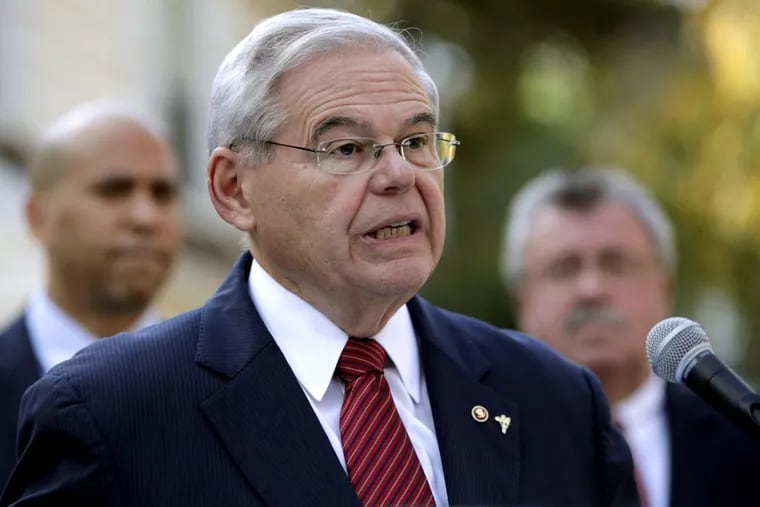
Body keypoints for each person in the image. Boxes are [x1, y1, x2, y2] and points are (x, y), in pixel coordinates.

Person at [1, 9, 638, 506]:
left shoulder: (555, 401)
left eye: (417, 141)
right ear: (234, 189)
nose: (399, 175)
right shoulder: (111, 414)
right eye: (346, 149)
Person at [500, 167, 760, 507]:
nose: (591, 289)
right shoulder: (479, 446)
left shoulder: (743, 436)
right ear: (522, 302)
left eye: (616, 264)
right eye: (564, 268)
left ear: (664, 288)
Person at [0, 101, 183, 486]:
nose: (145, 217)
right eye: (114, 190)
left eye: (163, 193)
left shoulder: (237, 390)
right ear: (38, 217)